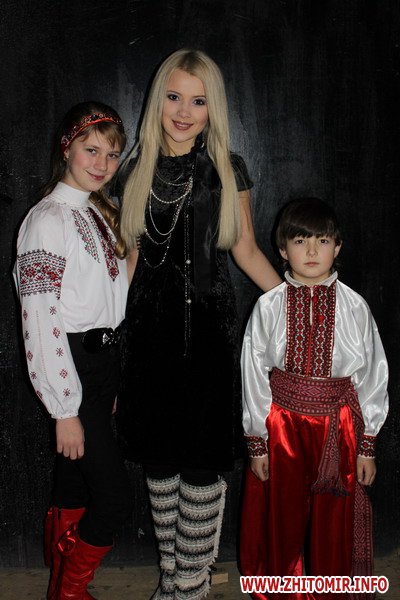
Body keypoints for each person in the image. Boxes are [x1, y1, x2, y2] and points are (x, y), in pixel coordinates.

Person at [116, 48, 281, 600]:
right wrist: (108, 340)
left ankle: (190, 584)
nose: (184, 111)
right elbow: (129, 266)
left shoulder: (227, 168)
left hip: (210, 338)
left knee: (202, 465)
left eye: (198, 101)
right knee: (160, 463)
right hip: (148, 338)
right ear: (157, 100)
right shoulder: (135, 169)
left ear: (214, 109)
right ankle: (175, 577)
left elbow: (247, 250)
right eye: (174, 97)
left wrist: (298, 302)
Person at [240, 198, 389, 598]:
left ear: (337, 247)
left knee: (332, 521)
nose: (311, 251)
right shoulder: (268, 306)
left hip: (338, 430)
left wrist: (367, 445)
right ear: (282, 249)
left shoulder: (355, 307)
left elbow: (373, 376)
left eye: (322, 241)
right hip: (281, 426)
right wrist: (257, 441)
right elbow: (253, 374)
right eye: (299, 240)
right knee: (282, 518)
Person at [15, 101, 132, 600]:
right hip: (72, 370)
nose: (103, 164)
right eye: (91, 150)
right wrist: (64, 409)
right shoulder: (47, 220)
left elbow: (111, 298)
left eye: (112, 154)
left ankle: (61, 586)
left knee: (74, 485)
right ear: (66, 149)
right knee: (114, 499)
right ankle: (68, 592)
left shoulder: (97, 212)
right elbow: (41, 320)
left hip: (101, 366)